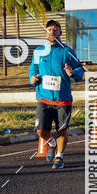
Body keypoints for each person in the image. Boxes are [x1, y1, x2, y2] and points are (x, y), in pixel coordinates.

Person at [29, 19, 84, 170]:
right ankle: (52, 143)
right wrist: (32, 78)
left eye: (55, 29)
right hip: (44, 97)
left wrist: (72, 73)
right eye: (49, 29)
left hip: (62, 98)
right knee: (41, 130)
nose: (52, 31)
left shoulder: (67, 51)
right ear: (45, 32)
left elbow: (80, 70)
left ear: (60, 32)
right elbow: (33, 69)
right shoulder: (39, 51)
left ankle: (59, 156)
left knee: (62, 130)